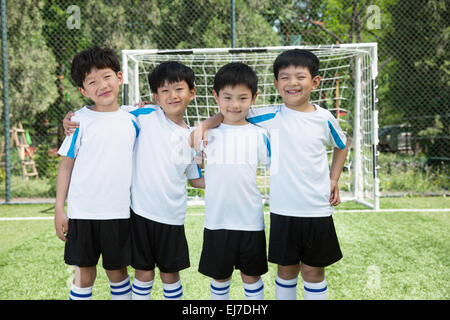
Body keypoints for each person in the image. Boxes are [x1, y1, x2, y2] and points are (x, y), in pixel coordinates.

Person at [191, 49, 348, 300]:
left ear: (315, 81)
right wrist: (204, 126)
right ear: (276, 83)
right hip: (283, 210)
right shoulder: (265, 115)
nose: (292, 83)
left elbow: (342, 144)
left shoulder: (324, 118)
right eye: (285, 77)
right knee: (285, 271)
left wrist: (333, 179)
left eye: (300, 77)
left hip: (317, 209)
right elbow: (229, 111)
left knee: (313, 271)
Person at [63, 61, 204, 300]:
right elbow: (103, 112)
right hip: (139, 215)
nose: (172, 96)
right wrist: (71, 119)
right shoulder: (143, 115)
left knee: (171, 275)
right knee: (143, 273)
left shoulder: (192, 138)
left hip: (173, 218)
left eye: (179, 89)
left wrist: (227, 180)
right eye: (165, 91)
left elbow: (196, 179)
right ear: (155, 97)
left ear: (192, 93)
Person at [55, 46, 139, 300]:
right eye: (92, 82)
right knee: (84, 273)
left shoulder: (134, 117)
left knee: (118, 272)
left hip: (120, 211)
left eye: (106, 76)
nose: (101, 85)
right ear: (83, 91)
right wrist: (60, 208)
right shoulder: (78, 121)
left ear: (120, 77)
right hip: (83, 212)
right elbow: (66, 165)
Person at [197, 62, 271, 300]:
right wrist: (206, 125)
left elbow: (276, 168)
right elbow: (193, 173)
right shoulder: (206, 135)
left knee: (251, 277)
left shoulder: (260, 134)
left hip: (250, 221)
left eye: (243, 98)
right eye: (227, 97)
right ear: (215, 97)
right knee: (220, 278)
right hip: (217, 221)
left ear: (254, 97)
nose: (235, 105)